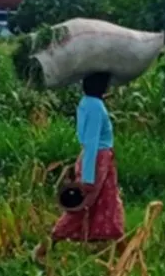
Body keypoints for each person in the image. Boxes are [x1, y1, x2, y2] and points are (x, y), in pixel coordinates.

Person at [49, 71, 125, 244]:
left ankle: (118, 245)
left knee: (108, 200)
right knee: (84, 203)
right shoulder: (95, 107)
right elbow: (92, 142)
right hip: (98, 159)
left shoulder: (87, 103)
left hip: (99, 158)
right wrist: (87, 178)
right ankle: (49, 242)